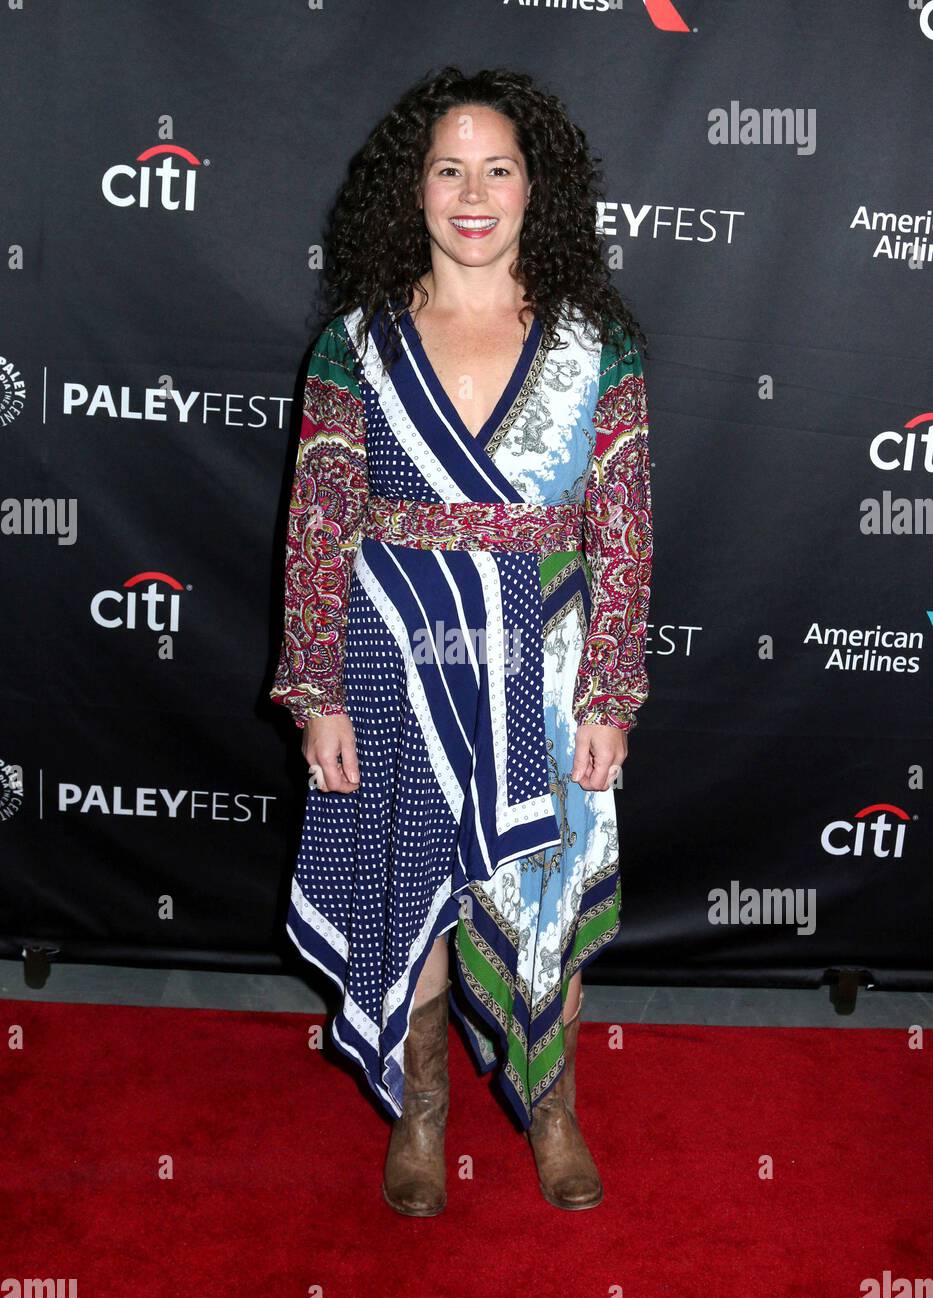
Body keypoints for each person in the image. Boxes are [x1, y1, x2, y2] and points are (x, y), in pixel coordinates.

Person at [269, 66, 653, 1216]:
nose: (472, 192)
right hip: (394, 665)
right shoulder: (355, 344)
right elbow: (319, 523)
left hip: (545, 666)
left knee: (548, 891)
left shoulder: (598, 345)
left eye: (498, 167)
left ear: (539, 188)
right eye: (449, 168)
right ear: (414, 188)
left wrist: (611, 696)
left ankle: (553, 1108)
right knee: (414, 894)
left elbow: (624, 526)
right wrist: (318, 691)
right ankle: (423, 1114)